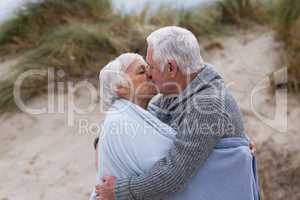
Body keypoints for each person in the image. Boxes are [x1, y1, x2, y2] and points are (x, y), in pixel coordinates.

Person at [95, 26, 259, 200]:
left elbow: (173, 175)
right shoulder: (177, 92)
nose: (149, 74)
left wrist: (120, 191)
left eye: (150, 67)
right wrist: (102, 141)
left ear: (171, 68)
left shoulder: (207, 104)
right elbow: (144, 116)